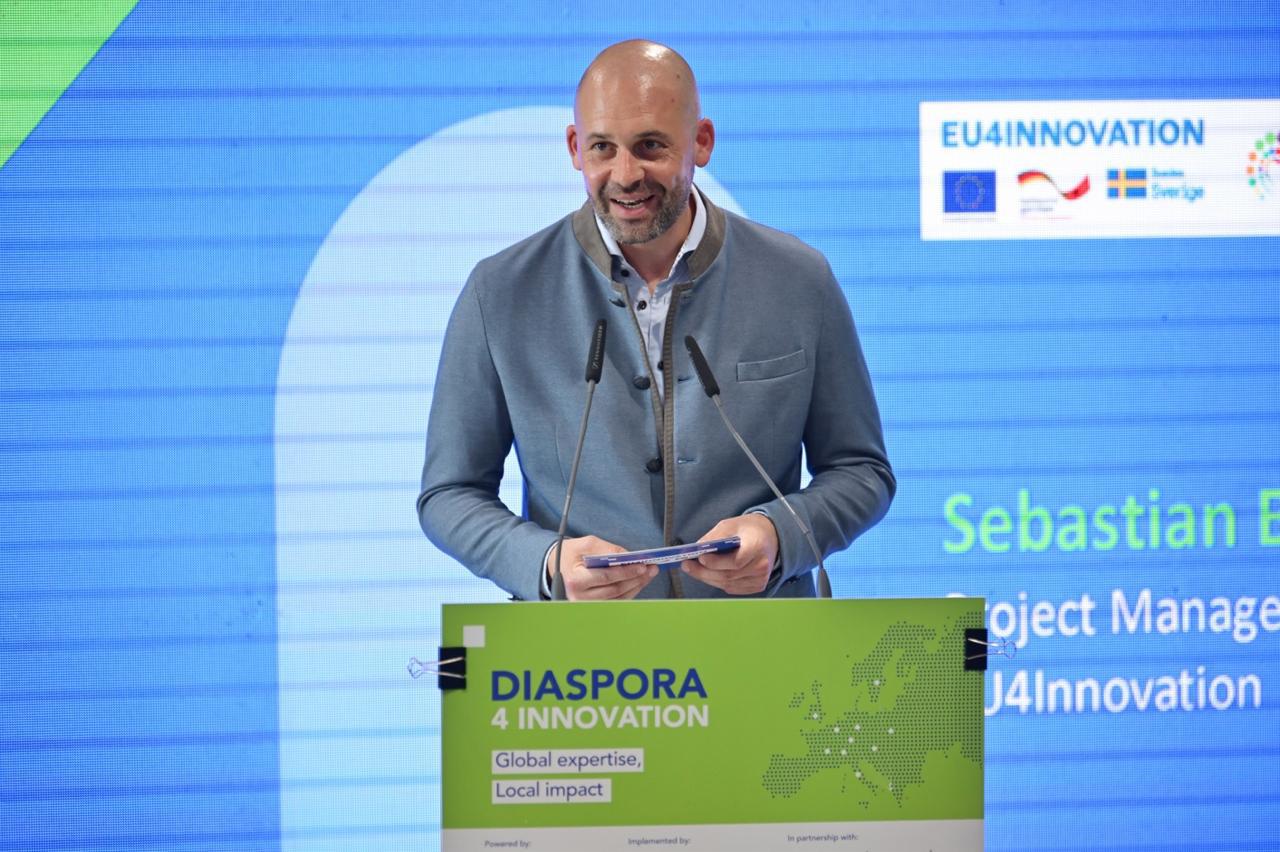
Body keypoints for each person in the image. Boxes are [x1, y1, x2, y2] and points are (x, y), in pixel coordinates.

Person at [417, 40, 894, 601]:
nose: (625, 175)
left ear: (702, 142)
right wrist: (546, 564)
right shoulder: (499, 291)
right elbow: (448, 494)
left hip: (762, 641)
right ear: (574, 148)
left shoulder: (799, 279)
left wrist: (781, 535)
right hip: (576, 650)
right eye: (602, 147)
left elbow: (862, 471)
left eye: (650, 147)